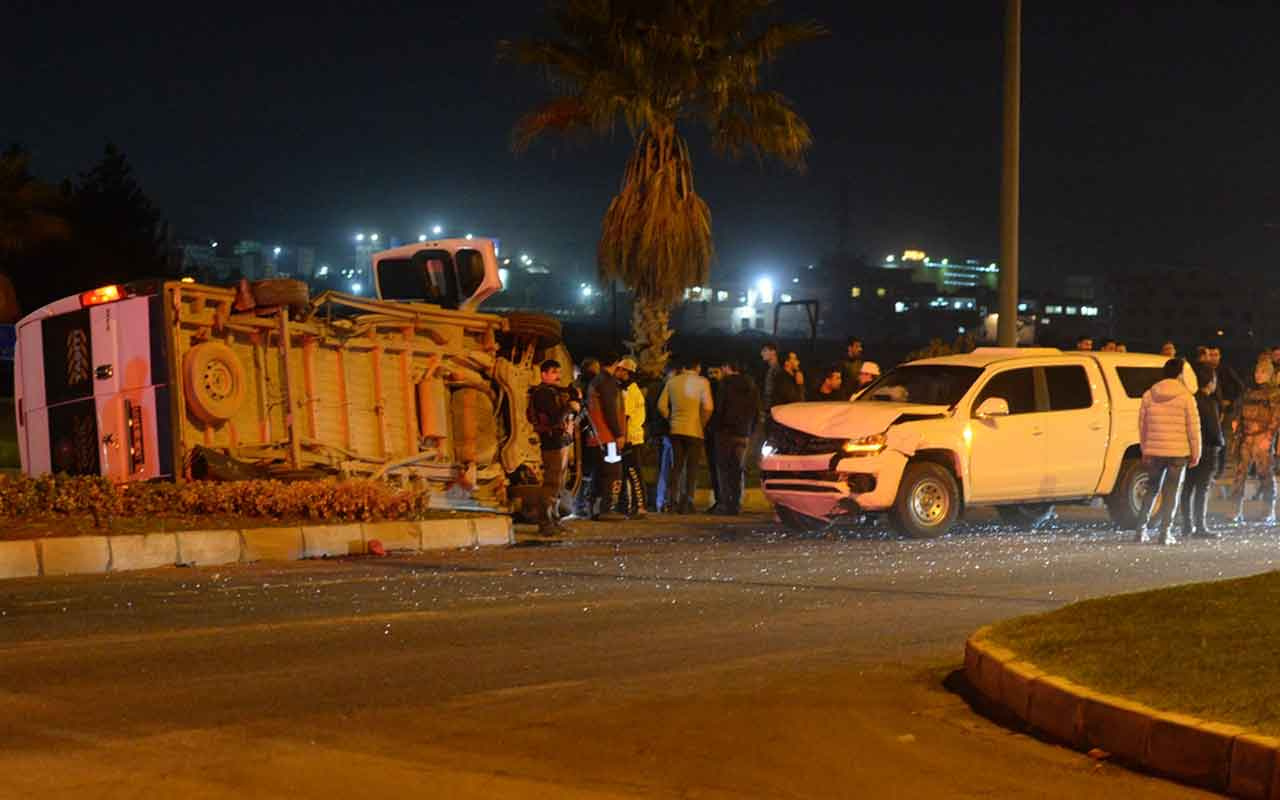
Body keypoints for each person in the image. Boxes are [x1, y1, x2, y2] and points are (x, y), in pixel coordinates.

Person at [1136, 358, 1201, 544]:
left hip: (1155, 451)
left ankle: (1140, 530)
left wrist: (1145, 448)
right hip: (1178, 452)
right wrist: (1196, 452)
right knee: (1172, 492)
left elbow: (1142, 425)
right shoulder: (1186, 397)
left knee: (1152, 489)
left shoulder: (1149, 394)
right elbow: (1193, 428)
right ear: (1181, 373)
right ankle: (1165, 533)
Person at [658, 356, 714, 514]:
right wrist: (701, 423)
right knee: (692, 468)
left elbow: (661, 406)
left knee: (676, 467)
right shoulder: (703, 382)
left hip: (676, 430)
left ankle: (671, 501)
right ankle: (687, 502)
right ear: (697, 367)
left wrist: (671, 418)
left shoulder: (672, 381)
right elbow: (709, 407)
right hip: (694, 430)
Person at [528, 359, 578, 536]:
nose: (558, 376)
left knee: (558, 484)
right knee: (551, 483)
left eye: (558, 372)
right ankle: (545, 522)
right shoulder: (542, 393)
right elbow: (555, 417)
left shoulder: (553, 392)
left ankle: (554, 520)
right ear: (543, 374)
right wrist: (568, 407)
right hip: (552, 443)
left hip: (561, 441)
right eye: (554, 372)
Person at [1230, 357, 1280, 525]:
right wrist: (1237, 427)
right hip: (1246, 436)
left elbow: (1276, 418)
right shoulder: (1249, 392)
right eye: (1257, 371)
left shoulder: (1274, 394)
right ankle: (1235, 510)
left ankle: (1268, 511)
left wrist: (1269, 437)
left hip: (1262, 437)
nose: (1258, 375)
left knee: (1265, 475)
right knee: (1239, 474)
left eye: (1263, 372)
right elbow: (1239, 411)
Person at [1181, 362, 1224, 538]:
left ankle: (1187, 525)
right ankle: (1200, 526)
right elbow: (1214, 431)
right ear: (1210, 382)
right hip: (1207, 450)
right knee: (1202, 488)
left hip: (1189, 448)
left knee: (1187, 487)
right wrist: (1220, 445)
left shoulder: (1190, 399)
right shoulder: (1208, 403)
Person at [712, 361, 761, 515]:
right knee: (738, 469)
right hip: (743, 433)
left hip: (725, 433)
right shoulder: (751, 386)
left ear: (728, 367)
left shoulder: (725, 384)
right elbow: (757, 411)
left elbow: (719, 409)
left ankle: (726, 503)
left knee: (724, 469)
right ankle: (737, 504)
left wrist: (716, 427)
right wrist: (750, 430)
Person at [586, 353, 627, 521]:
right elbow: (610, 410)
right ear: (616, 363)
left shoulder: (595, 381)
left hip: (596, 435)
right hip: (607, 436)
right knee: (612, 472)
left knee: (598, 472)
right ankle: (608, 508)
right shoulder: (607, 382)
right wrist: (618, 434)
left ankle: (592, 508)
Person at [616, 356, 647, 518]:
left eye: (619, 369)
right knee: (627, 473)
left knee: (633, 473)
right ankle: (629, 505)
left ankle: (639, 506)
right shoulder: (631, 390)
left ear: (626, 372)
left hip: (630, 439)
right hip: (632, 437)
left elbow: (625, 417)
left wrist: (623, 438)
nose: (617, 372)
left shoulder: (629, 392)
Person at [572, 358, 602, 517]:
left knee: (587, 470)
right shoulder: (586, 386)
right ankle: (580, 504)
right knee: (586, 470)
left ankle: (582, 504)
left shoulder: (579, 385)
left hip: (586, 432)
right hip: (586, 433)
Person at [760, 342, 783, 413]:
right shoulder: (770, 369)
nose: (761, 353)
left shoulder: (777, 370)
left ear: (773, 352)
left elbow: (775, 393)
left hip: (773, 409)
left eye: (764, 350)